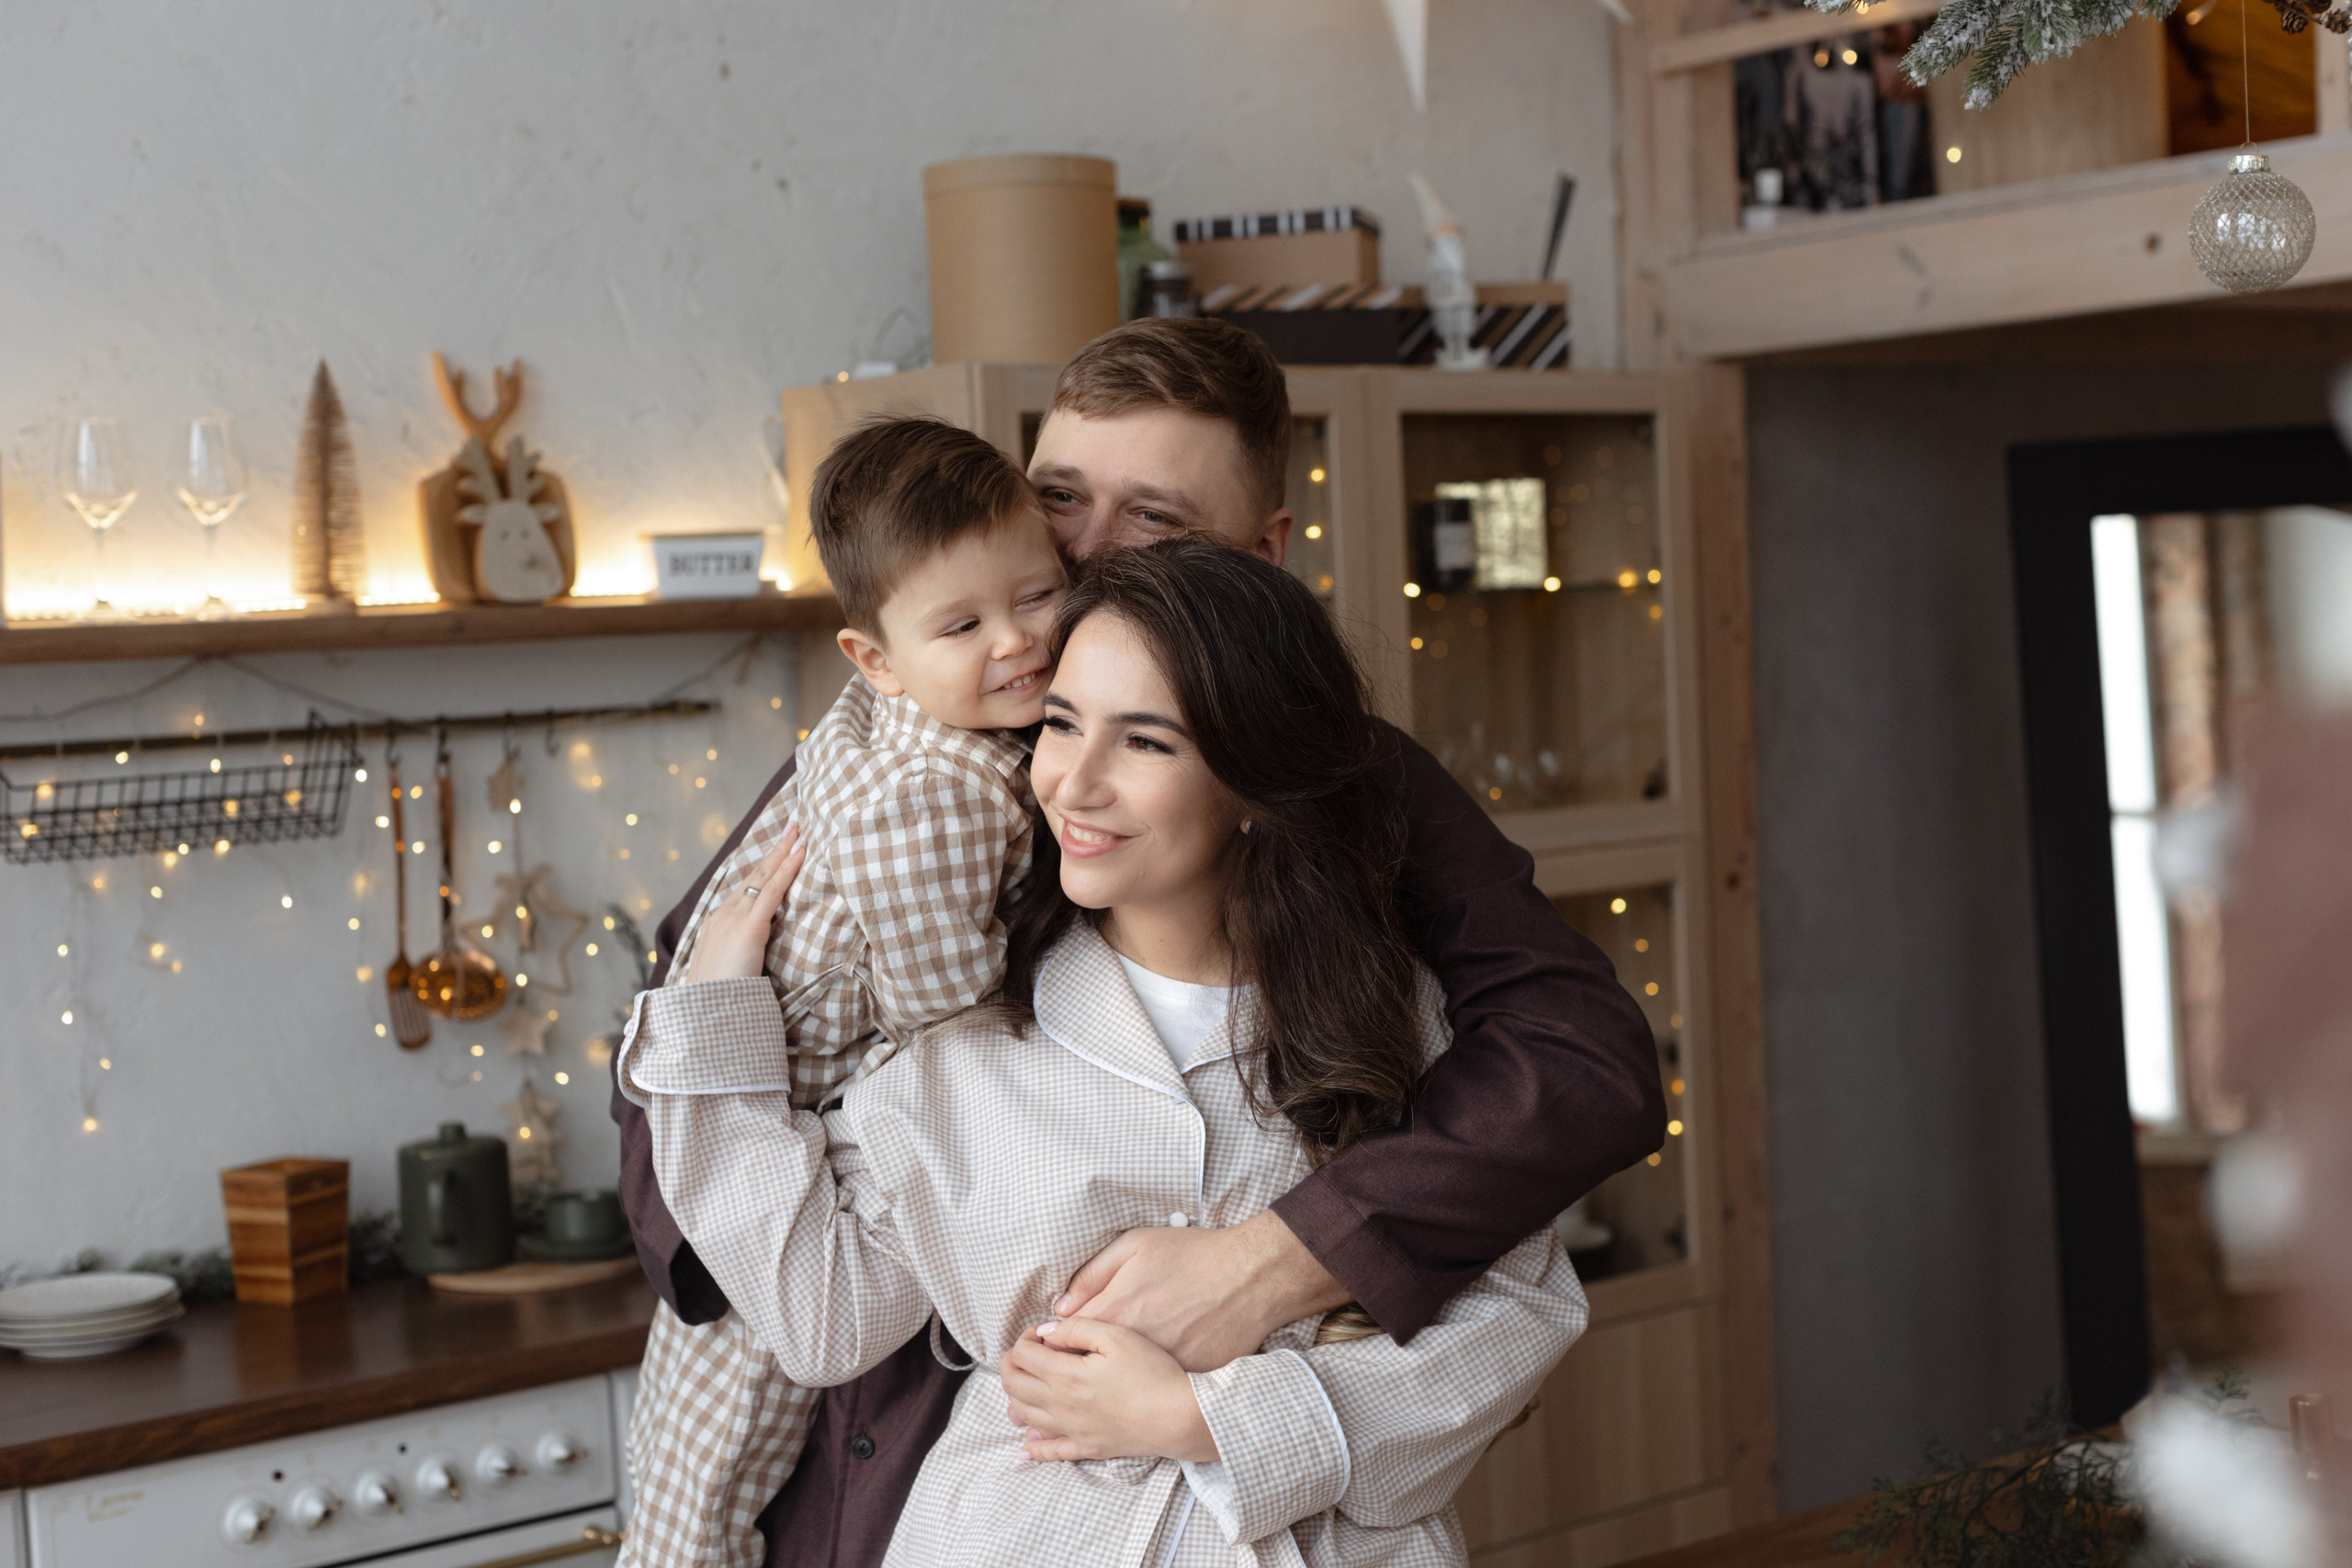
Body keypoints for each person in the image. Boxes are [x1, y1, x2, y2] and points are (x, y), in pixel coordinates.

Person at [609, 317, 1665, 1566]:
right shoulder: (906, 739)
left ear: (1267, 555)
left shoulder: (1342, 812)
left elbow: (1582, 1062)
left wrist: (1282, 1263)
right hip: (927, 1451)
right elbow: (700, 1016)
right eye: (1058, 497)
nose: (1082, 554)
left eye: (1153, 519)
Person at [617, 415, 1069, 1568]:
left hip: (758, 1124)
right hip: (786, 1150)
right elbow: (939, 1008)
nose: (1017, 643)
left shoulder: (874, 723)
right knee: (706, 1495)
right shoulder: (948, 792)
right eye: (963, 624)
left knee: (690, 1486)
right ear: (873, 655)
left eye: (1038, 596)